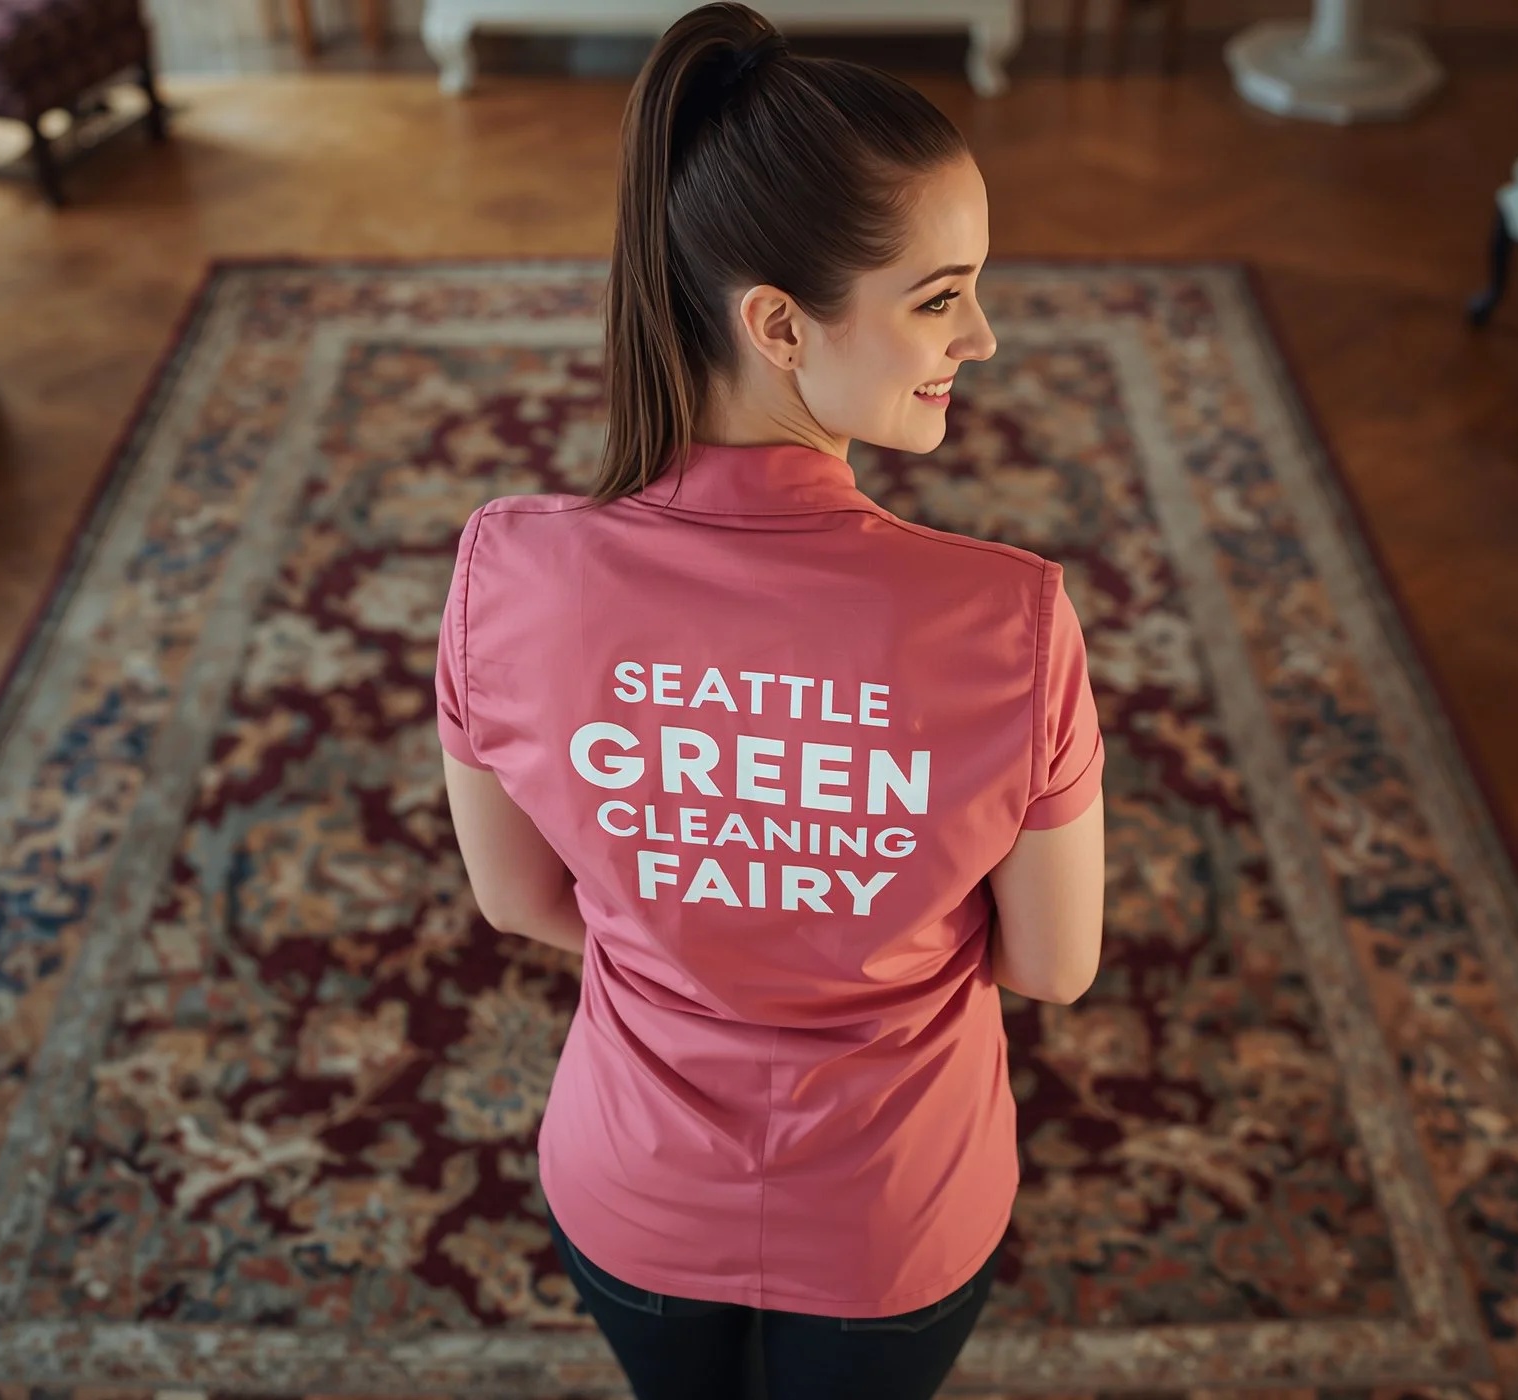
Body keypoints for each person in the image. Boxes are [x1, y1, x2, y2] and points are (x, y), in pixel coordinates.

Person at [432, 5, 1107, 1396]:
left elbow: (519, 902)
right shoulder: (1013, 620)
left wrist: (703, 907)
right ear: (780, 324)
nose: (982, 336)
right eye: (939, 296)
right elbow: (1051, 966)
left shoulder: (509, 571)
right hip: (895, 1220)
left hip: (629, 1192)